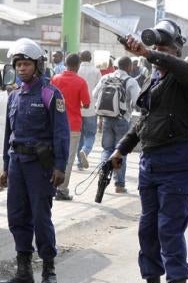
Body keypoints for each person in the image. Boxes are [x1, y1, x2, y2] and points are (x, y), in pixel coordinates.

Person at [110, 19, 188, 283]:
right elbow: (143, 121)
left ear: (176, 50)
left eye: (164, 49)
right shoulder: (155, 79)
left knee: (169, 230)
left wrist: (148, 53)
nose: (158, 54)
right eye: (156, 49)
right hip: (151, 162)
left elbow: (176, 67)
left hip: (177, 161)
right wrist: (121, 148)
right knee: (147, 230)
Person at [0, 38, 70, 283]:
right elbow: (9, 134)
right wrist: (6, 167)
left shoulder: (50, 94)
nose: (21, 68)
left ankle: (49, 272)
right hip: (17, 165)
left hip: (40, 166)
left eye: (26, 64)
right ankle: (24, 272)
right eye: (18, 64)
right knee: (17, 218)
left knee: (41, 218)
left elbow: (61, 132)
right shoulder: (14, 96)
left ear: (37, 65)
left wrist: (60, 166)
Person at [93, 56, 140, 193]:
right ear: (129, 66)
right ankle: (119, 184)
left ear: (116, 66)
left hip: (107, 118)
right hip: (122, 119)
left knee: (107, 149)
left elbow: (95, 94)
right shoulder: (130, 81)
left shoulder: (106, 77)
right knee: (121, 150)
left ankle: (103, 174)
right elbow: (137, 101)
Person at [51, 53, 90, 200]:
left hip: (54, 124)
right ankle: (62, 190)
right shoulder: (80, 82)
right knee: (68, 159)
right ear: (78, 65)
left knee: (54, 156)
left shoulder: (55, 79)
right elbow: (86, 104)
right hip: (73, 125)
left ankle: (50, 186)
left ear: (65, 64)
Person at [77, 50, 102, 170]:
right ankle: (85, 151)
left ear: (80, 59)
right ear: (91, 58)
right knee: (90, 134)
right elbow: (100, 90)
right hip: (91, 109)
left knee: (79, 136)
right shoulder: (96, 71)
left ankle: (79, 162)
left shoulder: (76, 70)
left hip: (77, 109)